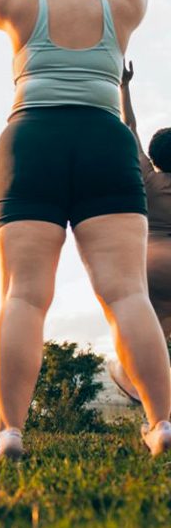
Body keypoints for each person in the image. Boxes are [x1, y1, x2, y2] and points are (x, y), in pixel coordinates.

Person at [0, 0, 171, 459]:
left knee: (24, 296)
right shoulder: (119, 8)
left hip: (33, 142)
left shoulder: (19, 6)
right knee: (127, 293)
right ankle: (163, 424)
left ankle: (9, 434)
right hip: (104, 141)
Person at [107, 61, 171, 401]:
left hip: (151, 262)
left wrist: (124, 87)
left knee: (148, 334)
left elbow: (128, 126)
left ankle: (130, 375)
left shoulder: (147, 176)